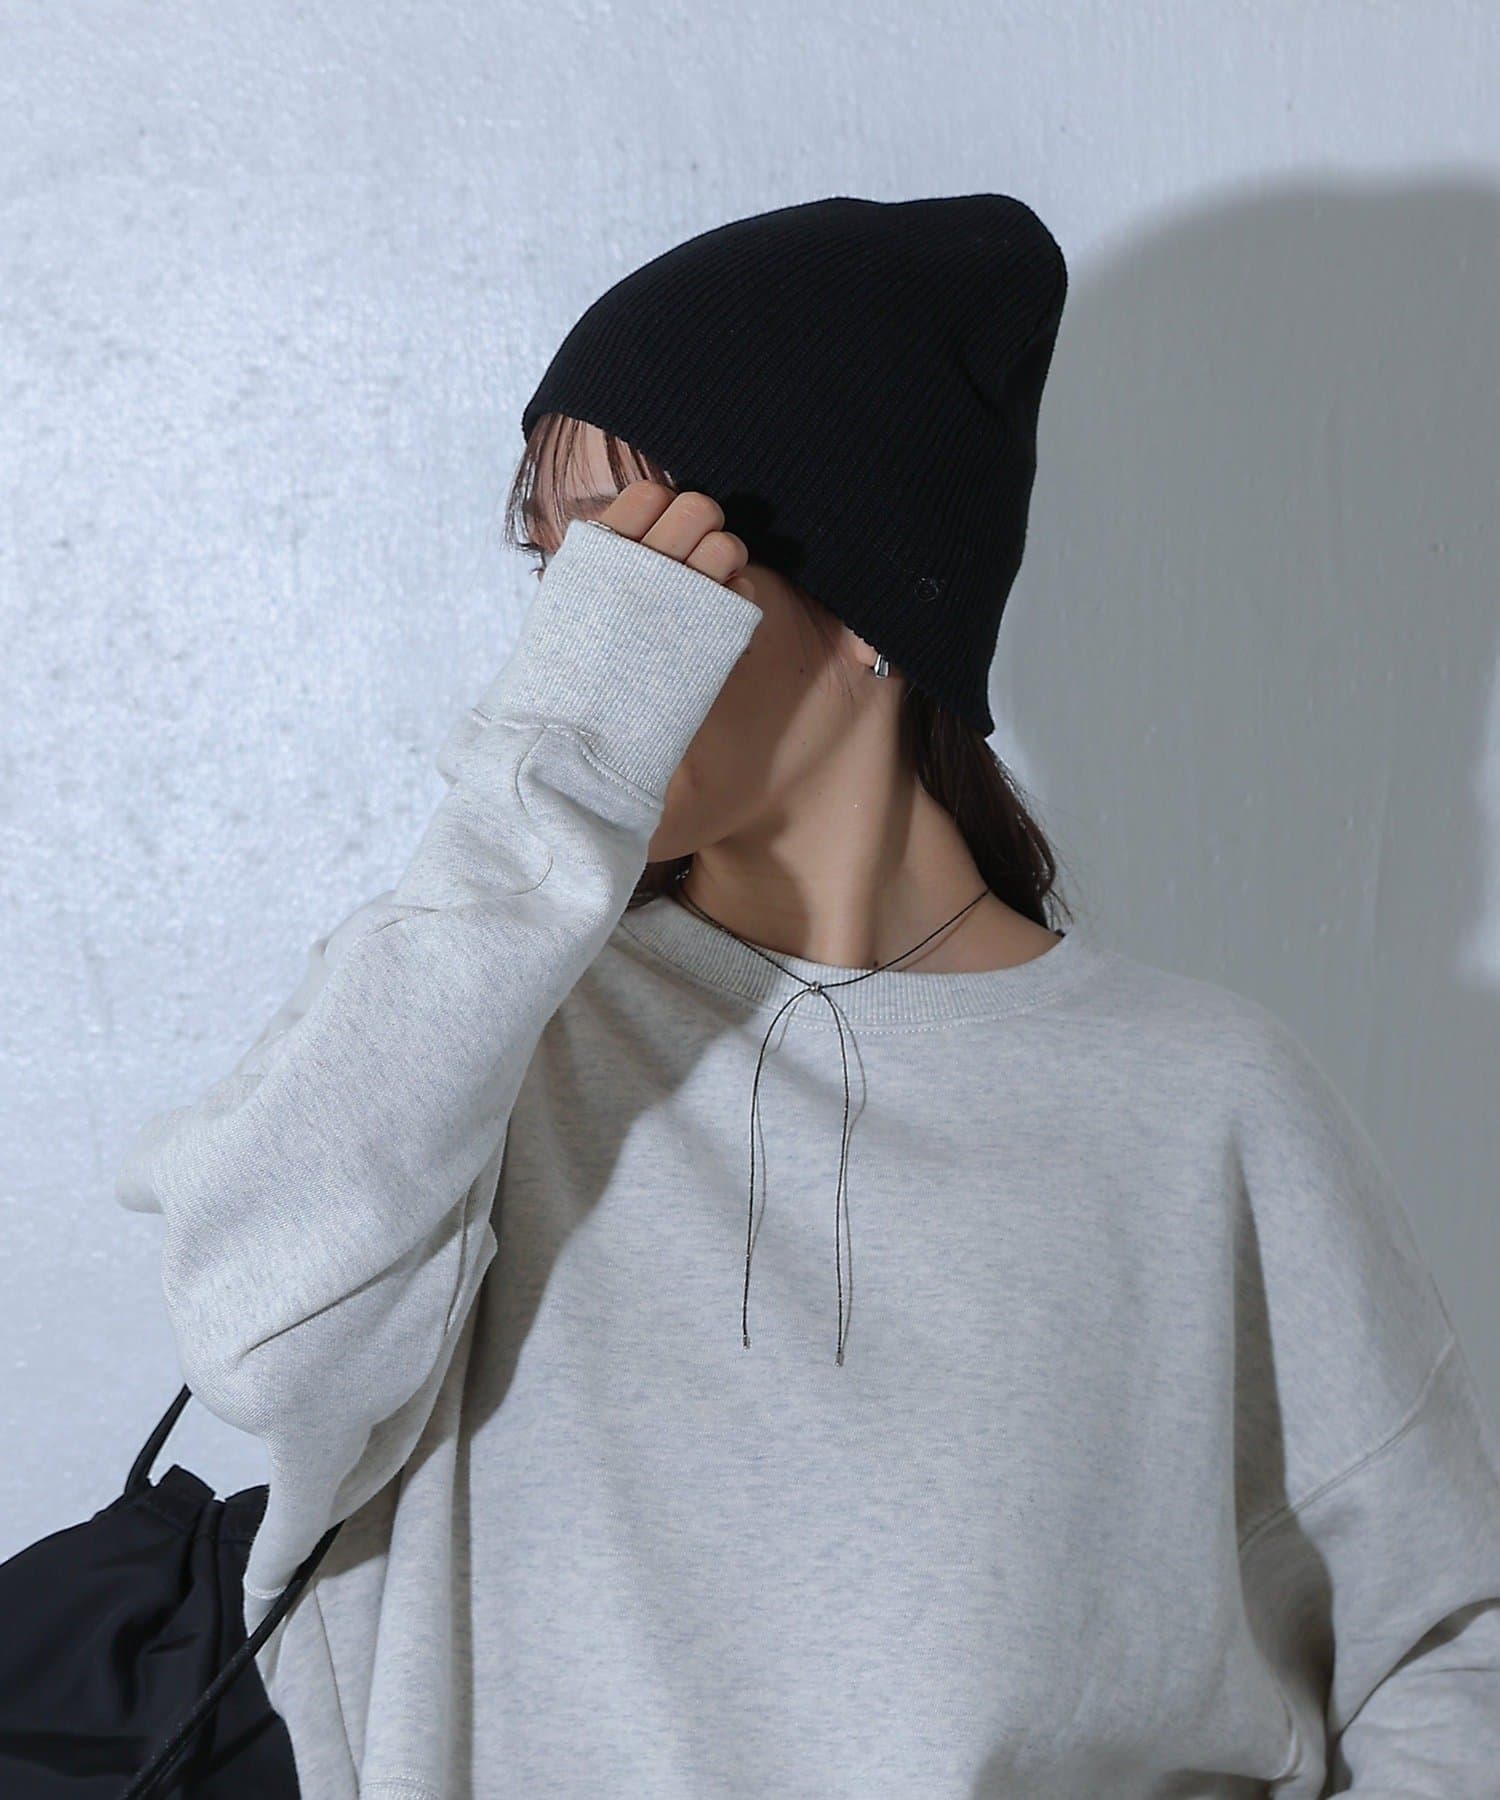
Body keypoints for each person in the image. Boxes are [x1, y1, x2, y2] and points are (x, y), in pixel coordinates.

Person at [116, 196, 1500, 1797]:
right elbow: (264, 1339)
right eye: (555, 578)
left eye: (637, 564)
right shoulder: (481, 1032)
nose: (579, 641)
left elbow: (1442, 1647)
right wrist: (561, 764)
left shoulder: (1204, 1105)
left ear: (867, 613)